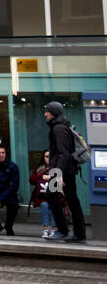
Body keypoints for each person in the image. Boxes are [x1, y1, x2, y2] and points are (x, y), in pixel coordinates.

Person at [45, 101, 87, 243]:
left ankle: (63, 230)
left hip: (62, 171)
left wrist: (58, 174)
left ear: (54, 113)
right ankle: (79, 234)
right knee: (72, 200)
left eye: (47, 111)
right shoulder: (62, 126)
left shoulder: (58, 128)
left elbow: (63, 153)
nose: (45, 114)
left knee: (52, 195)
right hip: (66, 170)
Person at [30, 150, 54, 240]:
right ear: (43, 158)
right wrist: (41, 176)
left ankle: (55, 230)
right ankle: (45, 229)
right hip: (43, 196)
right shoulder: (40, 168)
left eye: (50, 156)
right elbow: (31, 180)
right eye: (47, 156)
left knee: (54, 205)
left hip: (56, 196)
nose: (49, 159)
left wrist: (51, 177)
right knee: (44, 205)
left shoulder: (57, 168)